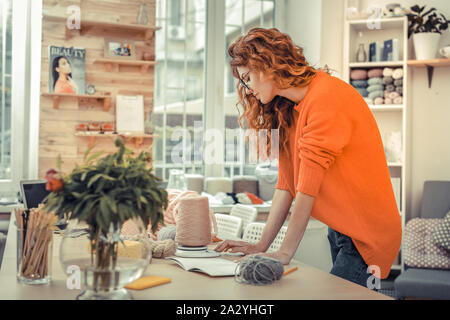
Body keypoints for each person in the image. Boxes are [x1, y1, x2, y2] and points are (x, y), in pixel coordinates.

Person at [214, 28, 402, 289]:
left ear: (266, 64)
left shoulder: (327, 97)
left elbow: (307, 188)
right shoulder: (287, 110)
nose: (247, 89)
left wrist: (285, 253)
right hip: (340, 230)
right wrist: (262, 245)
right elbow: (287, 184)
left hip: (369, 236)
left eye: (247, 78)